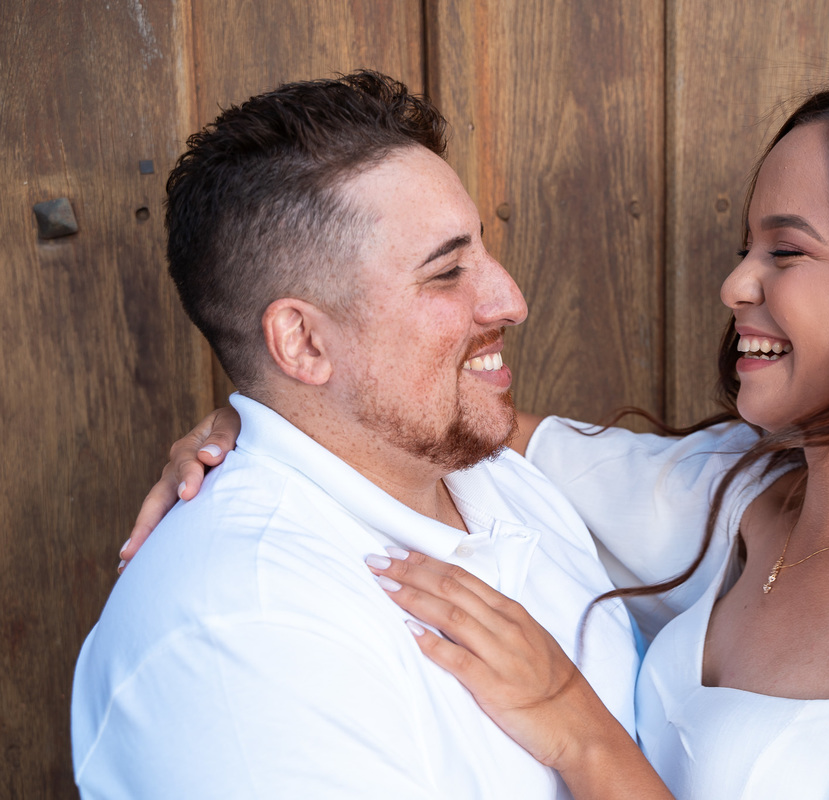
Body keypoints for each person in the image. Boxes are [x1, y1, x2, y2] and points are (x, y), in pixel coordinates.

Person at [128, 81, 829, 798]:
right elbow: (449, 419)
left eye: (786, 250)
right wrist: (267, 416)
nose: (734, 285)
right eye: (743, 246)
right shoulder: (728, 492)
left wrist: (587, 738)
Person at [71, 70, 649, 800]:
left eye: (483, 250)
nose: (510, 300)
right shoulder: (243, 632)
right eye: (446, 274)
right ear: (303, 342)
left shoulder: (499, 479)